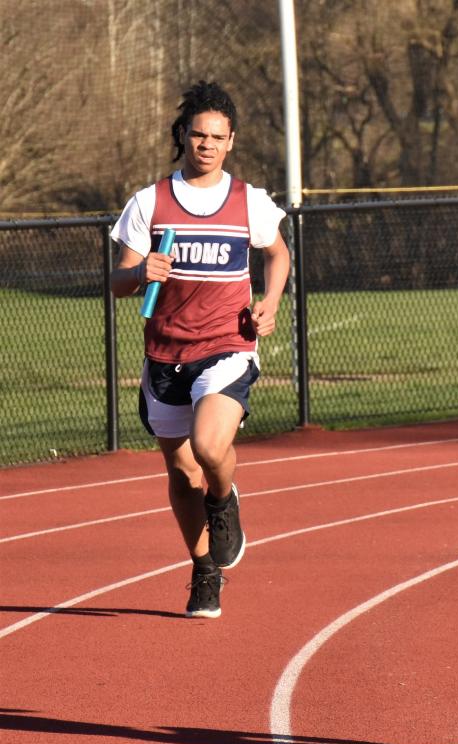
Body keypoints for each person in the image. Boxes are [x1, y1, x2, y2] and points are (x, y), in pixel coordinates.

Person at [110, 80, 289, 620]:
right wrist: (141, 272)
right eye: (198, 134)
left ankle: (223, 501)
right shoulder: (149, 202)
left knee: (210, 449)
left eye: (217, 136)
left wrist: (272, 303)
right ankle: (205, 572)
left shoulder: (247, 201)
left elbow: (278, 255)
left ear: (230, 142)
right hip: (165, 354)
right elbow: (118, 282)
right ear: (182, 136)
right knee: (182, 472)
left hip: (228, 345)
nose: (206, 144)